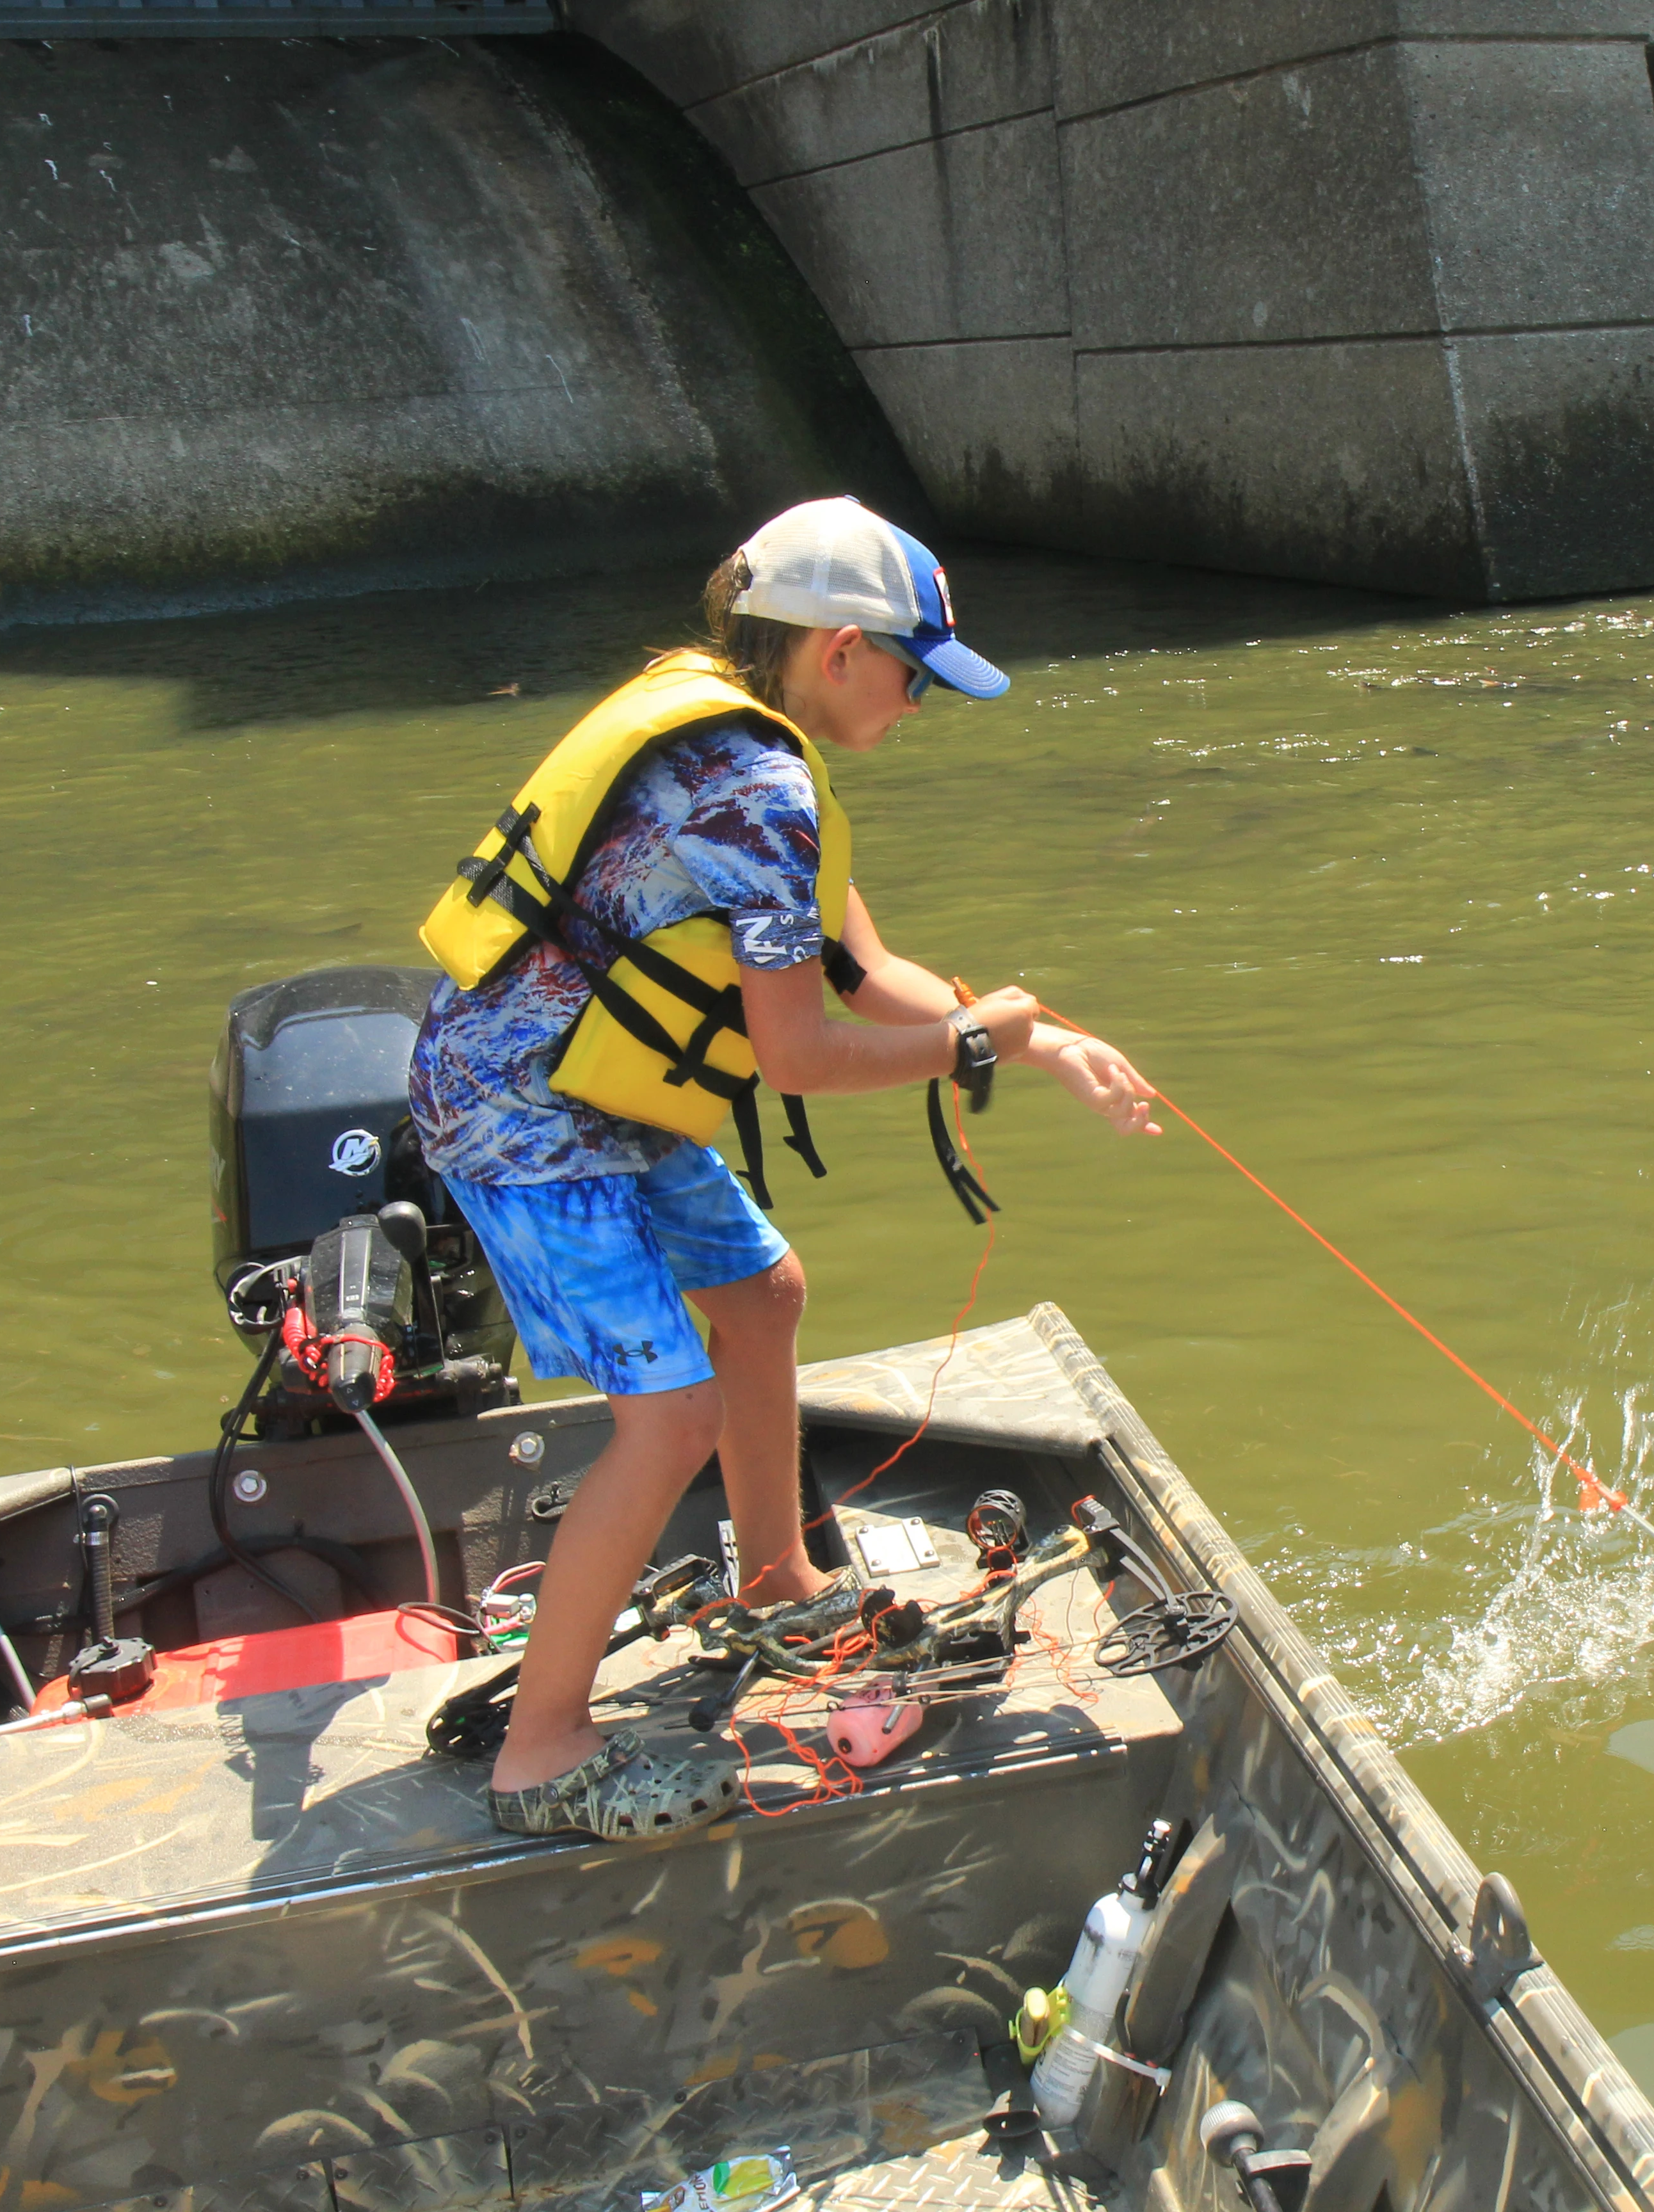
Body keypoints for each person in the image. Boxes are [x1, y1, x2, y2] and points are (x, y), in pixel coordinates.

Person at [407, 497, 1157, 1841]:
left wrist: (1051, 1046)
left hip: (602, 1092)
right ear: (833, 651)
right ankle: (542, 1757)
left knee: (765, 1295)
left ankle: (773, 1580)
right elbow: (801, 1054)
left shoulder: (758, 757)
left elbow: (866, 975)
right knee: (669, 1414)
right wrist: (982, 1038)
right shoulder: (757, 787)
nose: (922, 702)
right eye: (914, 672)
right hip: (523, 1116)